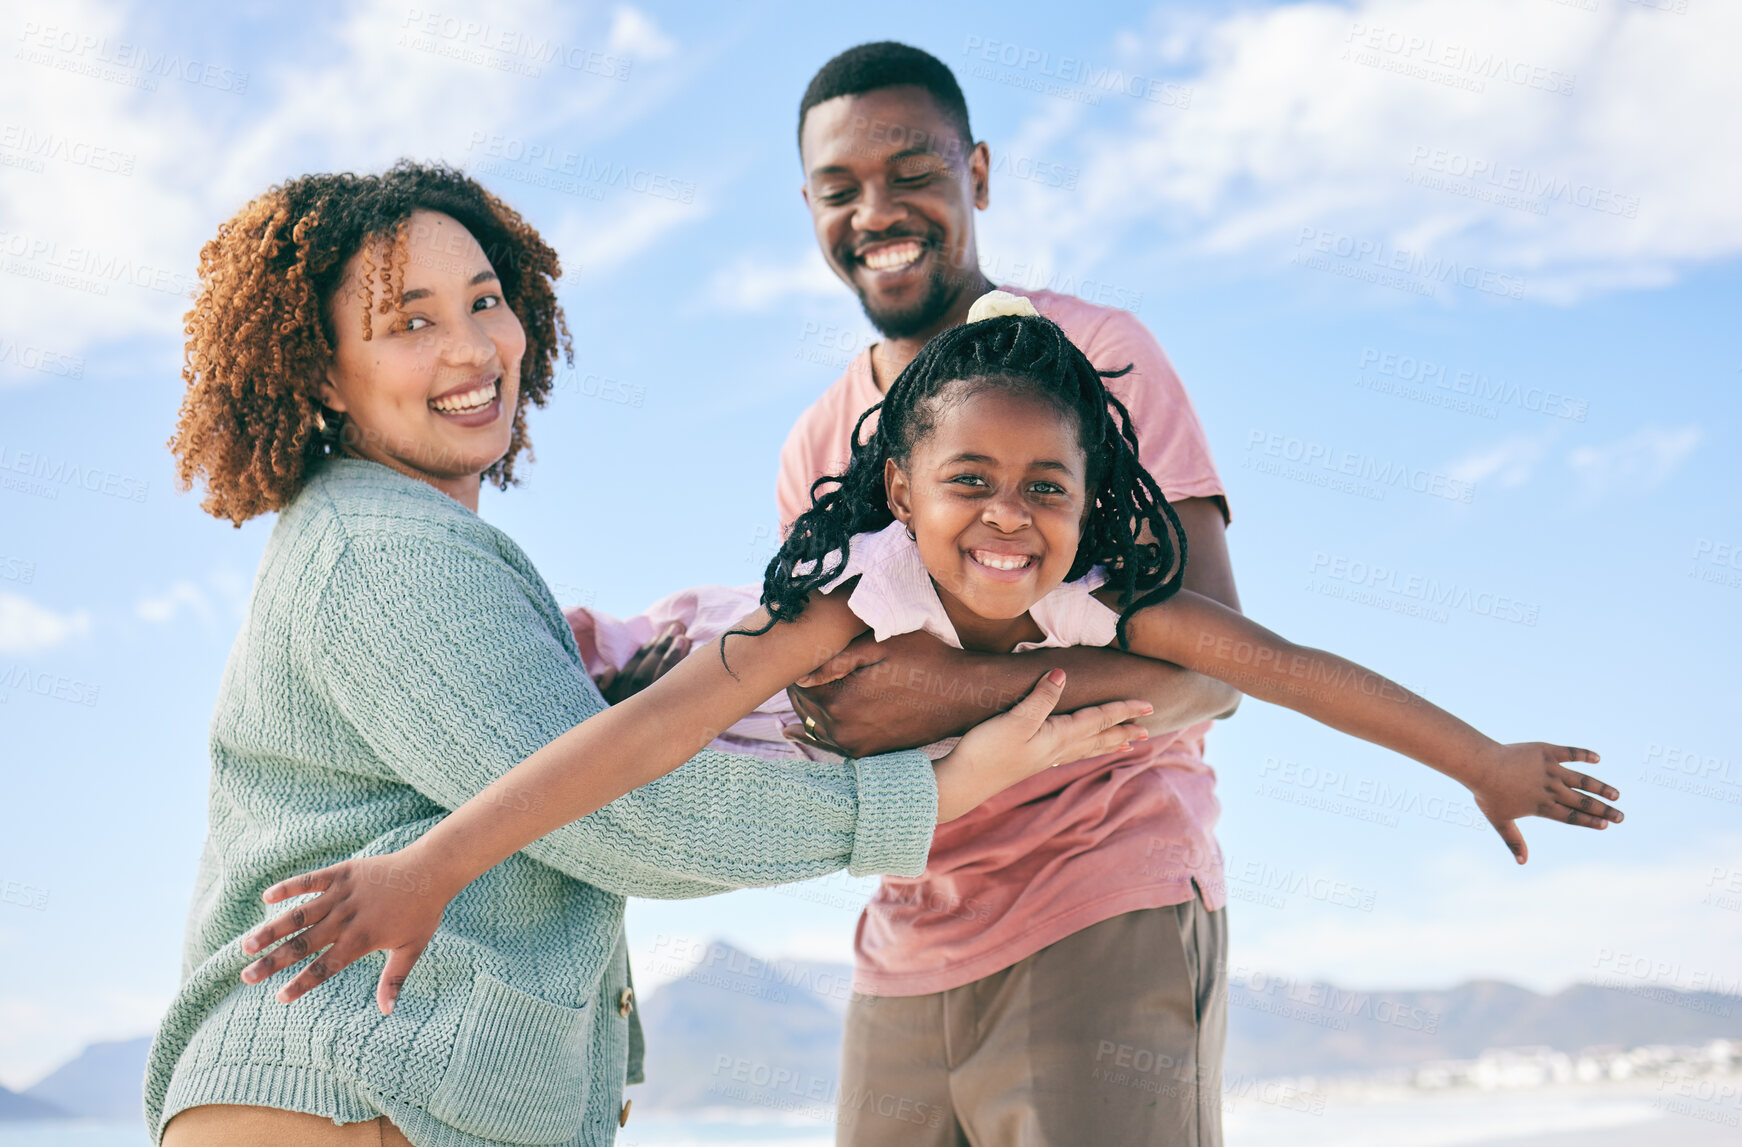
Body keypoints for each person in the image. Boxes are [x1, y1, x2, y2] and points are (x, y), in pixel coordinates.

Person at [243, 296, 1623, 1147]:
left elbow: (1282, 665)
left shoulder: (1102, 609)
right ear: (902, 489)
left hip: (963, 850)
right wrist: (431, 865)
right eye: (969, 478)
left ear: (1092, 503)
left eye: (1045, 484)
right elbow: (648, 731)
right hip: (657, 674)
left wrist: (1478, 761)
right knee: (616, 674)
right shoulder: (848, 598)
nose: (1008, 516)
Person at [144, 162, 1144, 1147]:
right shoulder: (386, 551)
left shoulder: (396, 538)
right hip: (338, 1097)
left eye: (485, 301)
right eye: (410, 321)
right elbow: (618, 813)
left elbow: (551, 781)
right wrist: (931, 792)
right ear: (320, 369)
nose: (472, 347)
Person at [781, 42, 1243, 1145]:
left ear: (977, 174)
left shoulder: (1097, 352)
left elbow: (1211, 671)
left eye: (912, 173)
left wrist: (950, 685)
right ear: (808, 207)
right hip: (904, 938)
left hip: (1102, 899)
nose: (876, 211)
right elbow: (842, 709)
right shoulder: (813, 444)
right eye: (839, 189)